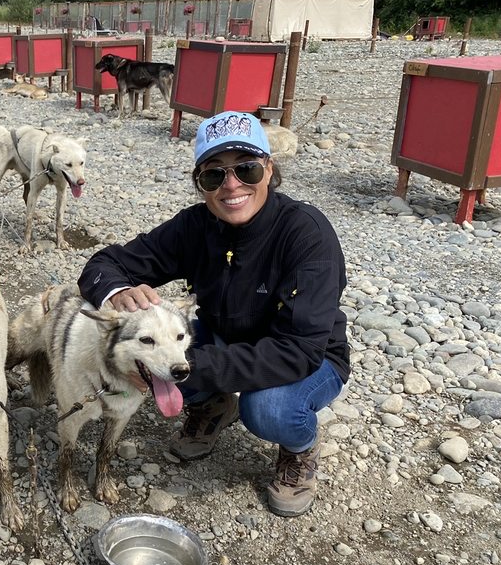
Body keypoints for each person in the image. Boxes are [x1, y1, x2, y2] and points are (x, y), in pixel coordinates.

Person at [78, 111, 350, 518]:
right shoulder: (195, 227)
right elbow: (104, 264)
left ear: (268, 169)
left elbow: (297, 350)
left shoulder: (306, 234)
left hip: (309, 356)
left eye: (246, 168)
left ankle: (299, 448)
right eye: (214, 175)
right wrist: (119, 292)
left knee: (268, 408)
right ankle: (214, 405)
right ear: (200, 183)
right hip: (224, 336)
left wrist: (187, 368)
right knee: (150, 355)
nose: (231, 185)